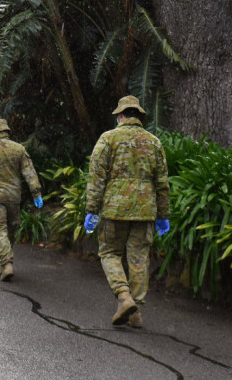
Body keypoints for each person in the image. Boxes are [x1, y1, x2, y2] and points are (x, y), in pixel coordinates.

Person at [84, 95, 170, 328]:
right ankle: (136, 311)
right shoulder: (153, 142)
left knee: (109, 253)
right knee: (139, 258)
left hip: (115, 209)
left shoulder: (108, 139)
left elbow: (96, 177)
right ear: (138, 116)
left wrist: (92, 209)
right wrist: (163, 215)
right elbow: (162, 182)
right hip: (145, 212)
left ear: (120, 115)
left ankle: (124, 297)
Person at [0, 119, 43, 281]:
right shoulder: (19, 149)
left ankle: (6, 263)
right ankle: (0, 262)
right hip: (13, 197)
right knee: (10, 231)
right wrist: (37, 194)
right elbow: (29, 173)